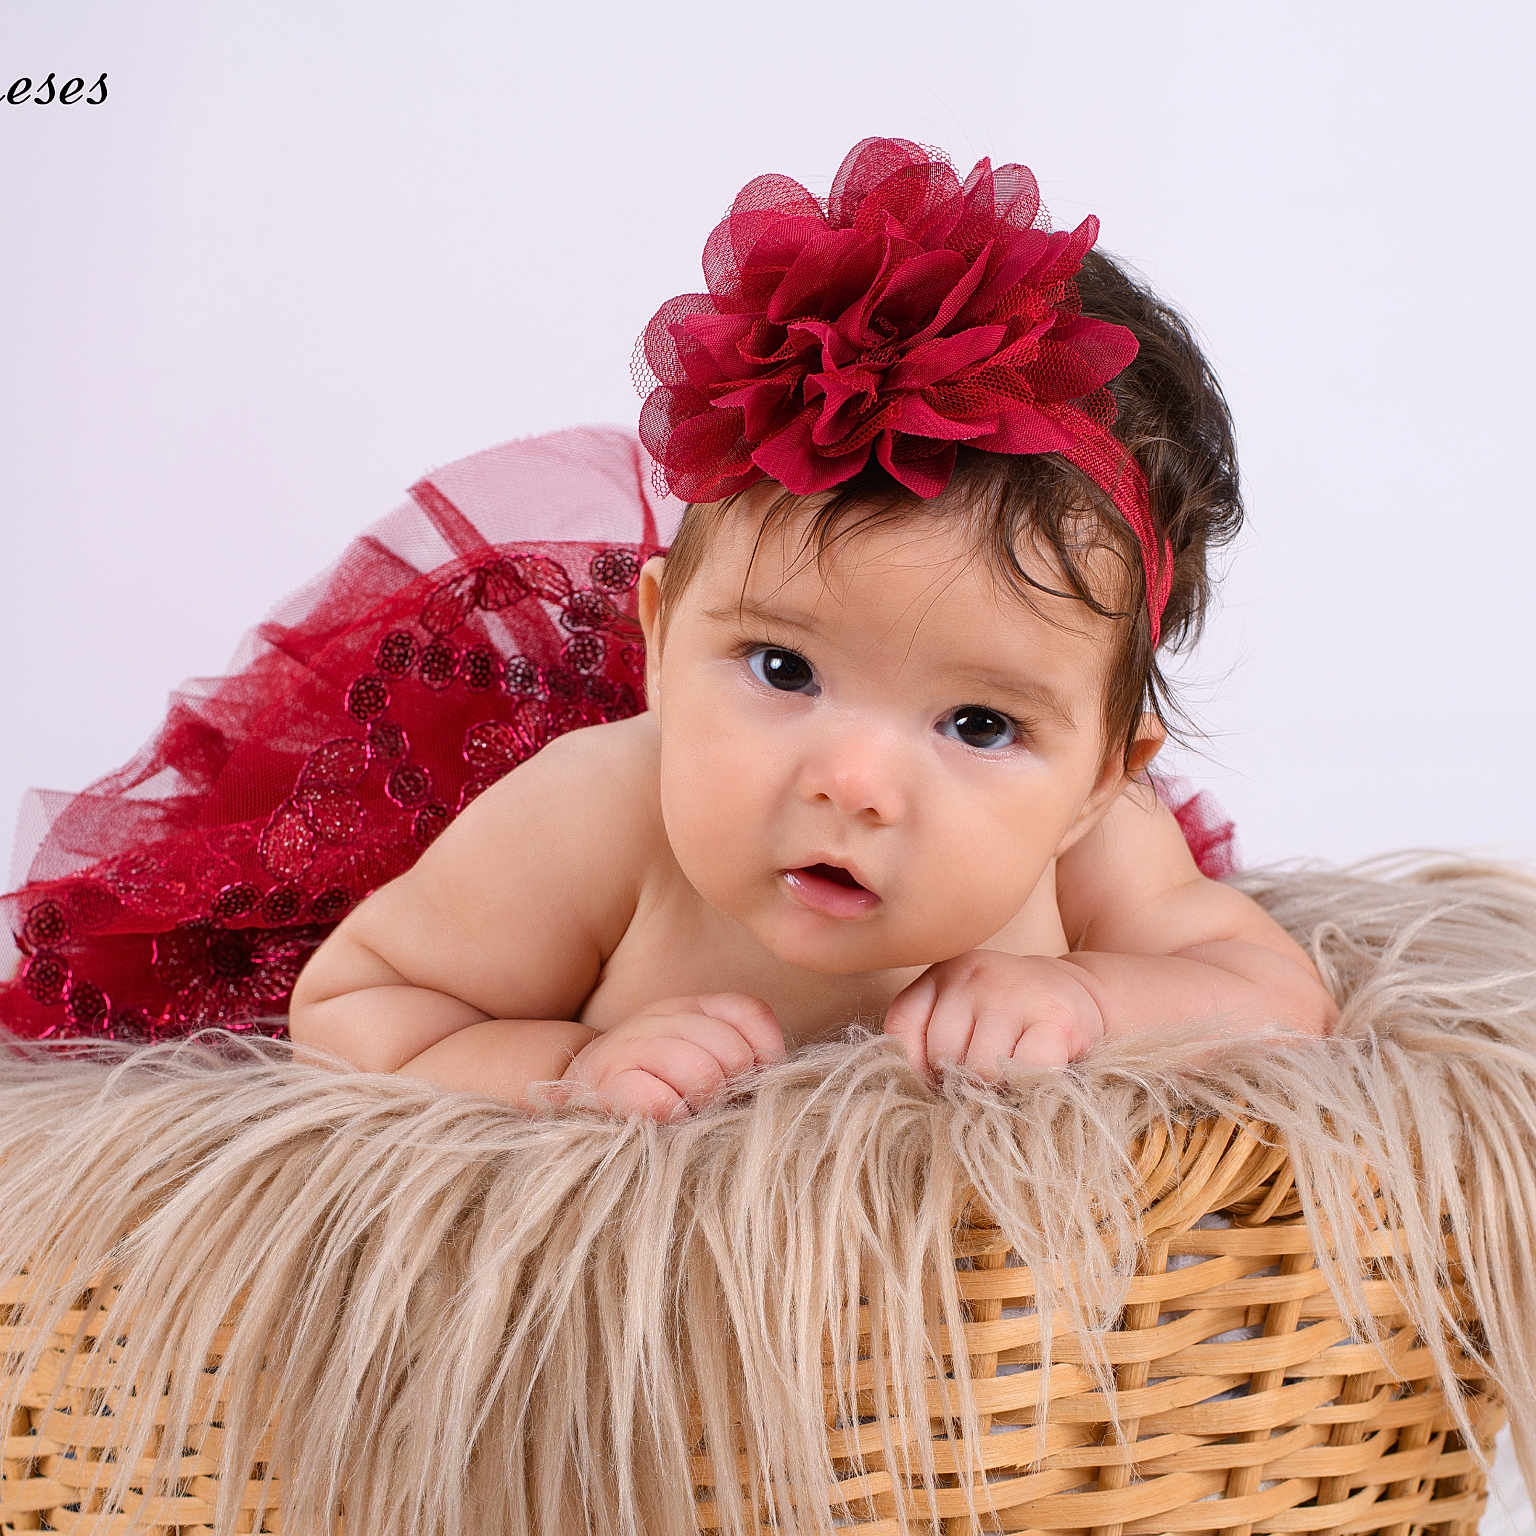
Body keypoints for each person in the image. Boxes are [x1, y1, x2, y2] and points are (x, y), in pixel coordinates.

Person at [0, 137, 1336, 1116]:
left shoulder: (1097, 841)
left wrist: (1095, 1000)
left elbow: (1277, 996)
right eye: (782, 667)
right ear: (655, 634)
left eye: (980, 724)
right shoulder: (596, 815)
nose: (853, 783)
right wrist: (565, 1068)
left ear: (1103, 775)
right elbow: (356, 1010)